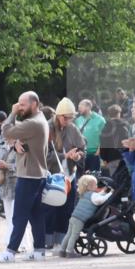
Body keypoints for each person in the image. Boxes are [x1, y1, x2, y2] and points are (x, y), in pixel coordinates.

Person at [0, 92, 51, 263]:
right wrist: (17, 141)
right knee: (35, 215)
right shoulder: (39, 121)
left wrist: (11, 113)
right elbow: (18, 134)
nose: (19, 107)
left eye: (22, 105)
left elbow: (6, 130)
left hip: (28, 175)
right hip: (37, 174)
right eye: (18, 104)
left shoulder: (33, 123)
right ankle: (39, 250)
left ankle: (10, 252)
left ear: (34, 104)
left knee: (19, 215)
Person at [44, 98, 86, 251]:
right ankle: (48, 241)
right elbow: (42, 156)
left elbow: (82, 148)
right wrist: (65, 156)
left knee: (67, 210)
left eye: (70, 118)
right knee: (51, 210)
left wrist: (78, 156)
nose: (68, 121)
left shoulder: (73, 128)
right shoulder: (46, 128)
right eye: (65, 118)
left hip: (70, 176)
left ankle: (62, 242)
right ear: (58, 116)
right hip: (53, 176)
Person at [52, 174, 110, 257]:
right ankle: (69, 251)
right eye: (95, 184)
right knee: (74, 235)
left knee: (68, 234)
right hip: (80, 220)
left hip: (73, 217)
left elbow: (98, 196)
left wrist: (104, 191)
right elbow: (100, 200)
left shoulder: (84, 194)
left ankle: (62, 250)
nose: (97, 186)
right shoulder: (93, 195)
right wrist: (109, 194)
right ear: (89, 187)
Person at [75, 99, 106, 173]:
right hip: (81, 155)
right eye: (78, 106)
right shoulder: (77, 120)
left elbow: (105, 138)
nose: (79, 108)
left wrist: (98, 152)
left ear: (88, 107)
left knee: (94, 178)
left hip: (94, 154)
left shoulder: (100, 120)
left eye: (81, 106)